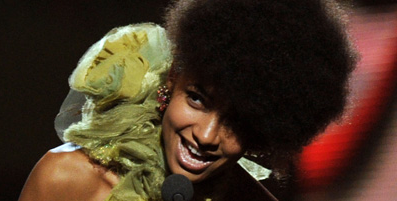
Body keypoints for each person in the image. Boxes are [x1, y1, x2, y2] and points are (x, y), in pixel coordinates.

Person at [19, 0, 357, 200]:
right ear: (171, 82)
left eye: (238, 122)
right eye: (197, 100)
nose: (207, 136)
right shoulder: (68, 179)